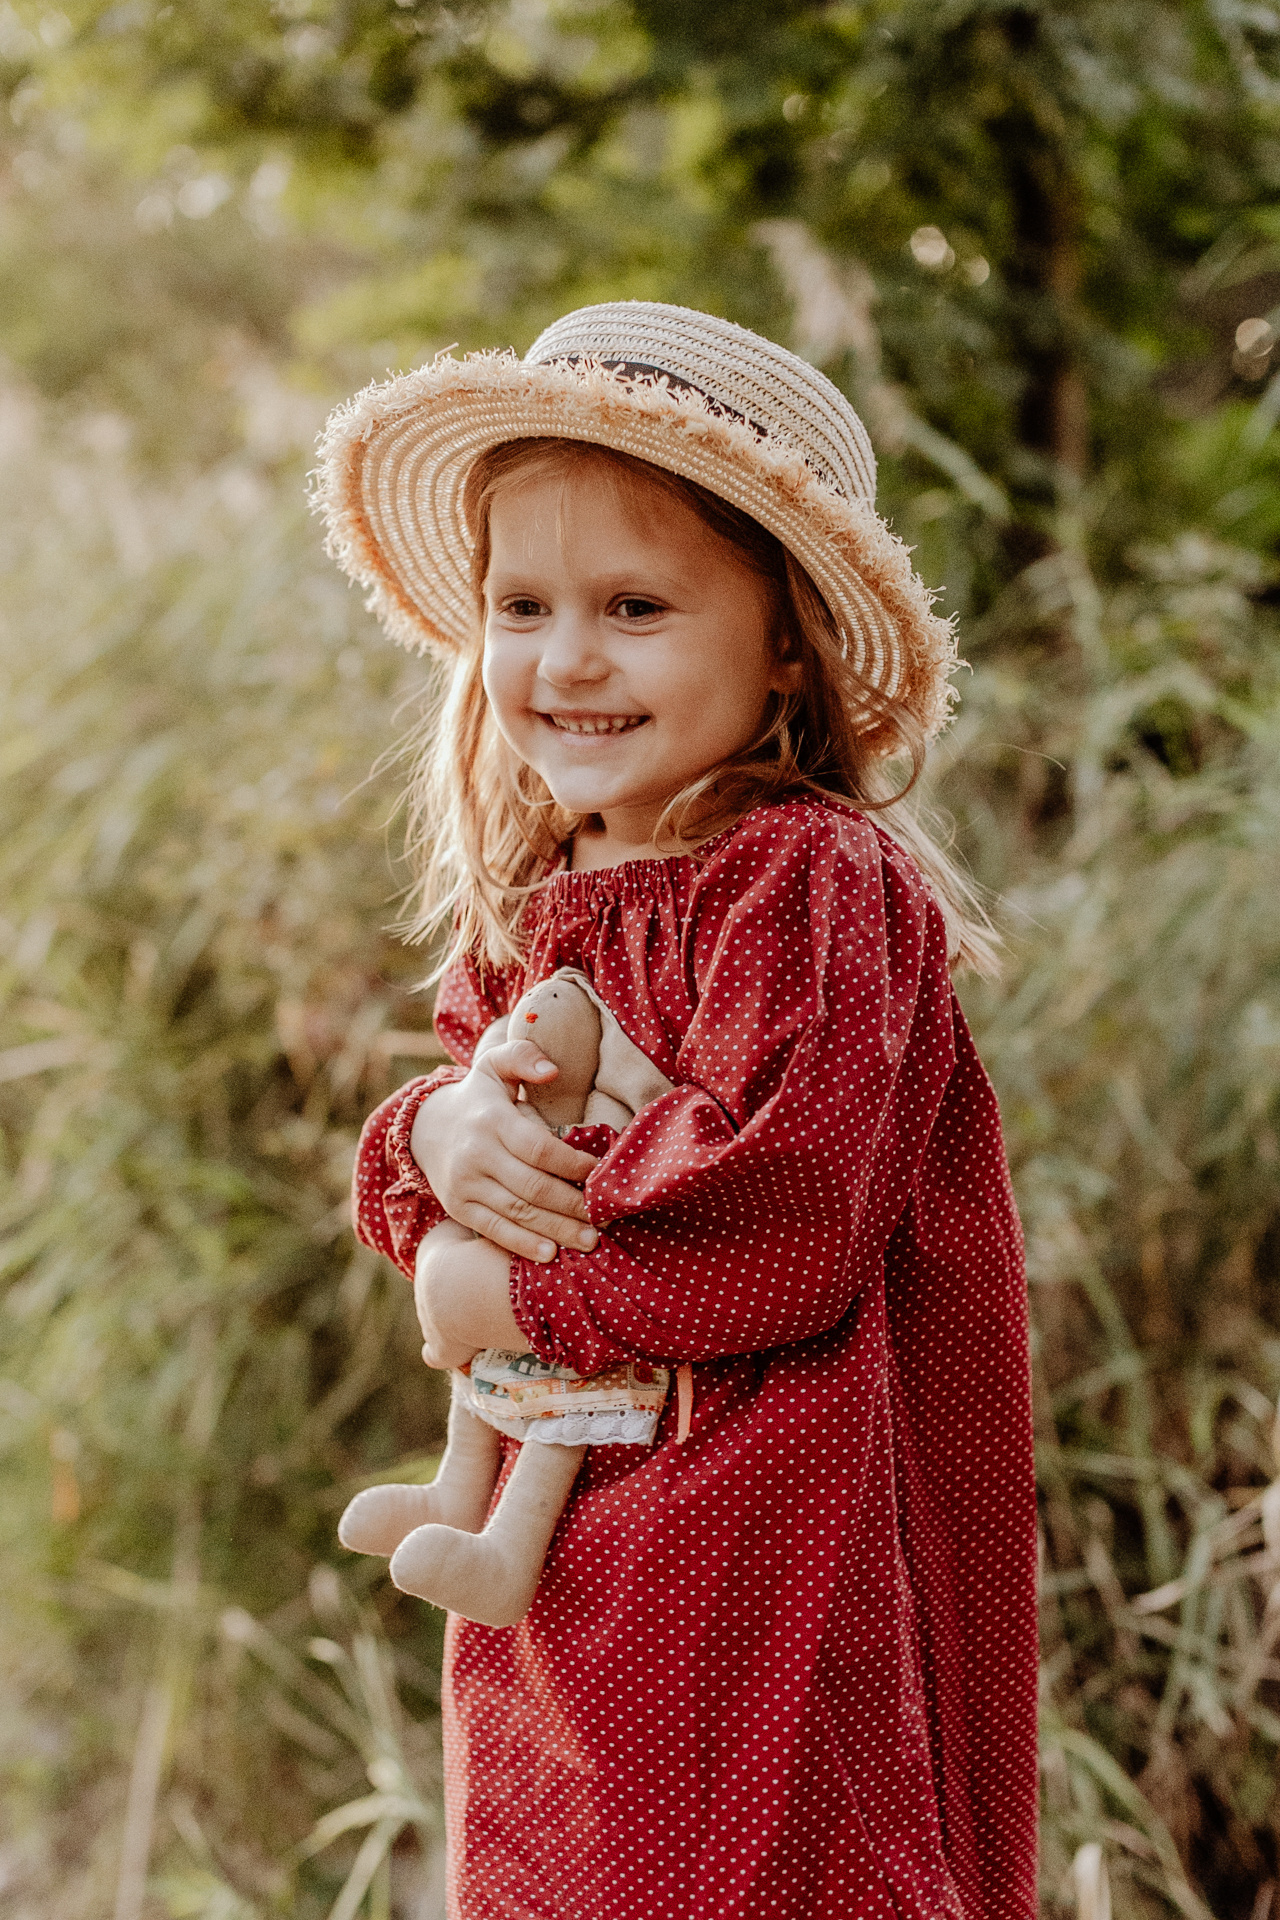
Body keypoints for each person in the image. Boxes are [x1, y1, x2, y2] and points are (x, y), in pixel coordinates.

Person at [317, 302, 1038, 1920]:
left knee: (765, 1875)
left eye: (634, 606)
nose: (566, 658)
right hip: (565, 1555)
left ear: (787, 642)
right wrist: (430, 1140)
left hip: (764, 1552)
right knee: (561, 1873)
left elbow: (785, 1214)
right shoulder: (544, 893)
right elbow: (475, 1121)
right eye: (524, 605)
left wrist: (498, 1286)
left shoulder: (811, 885)